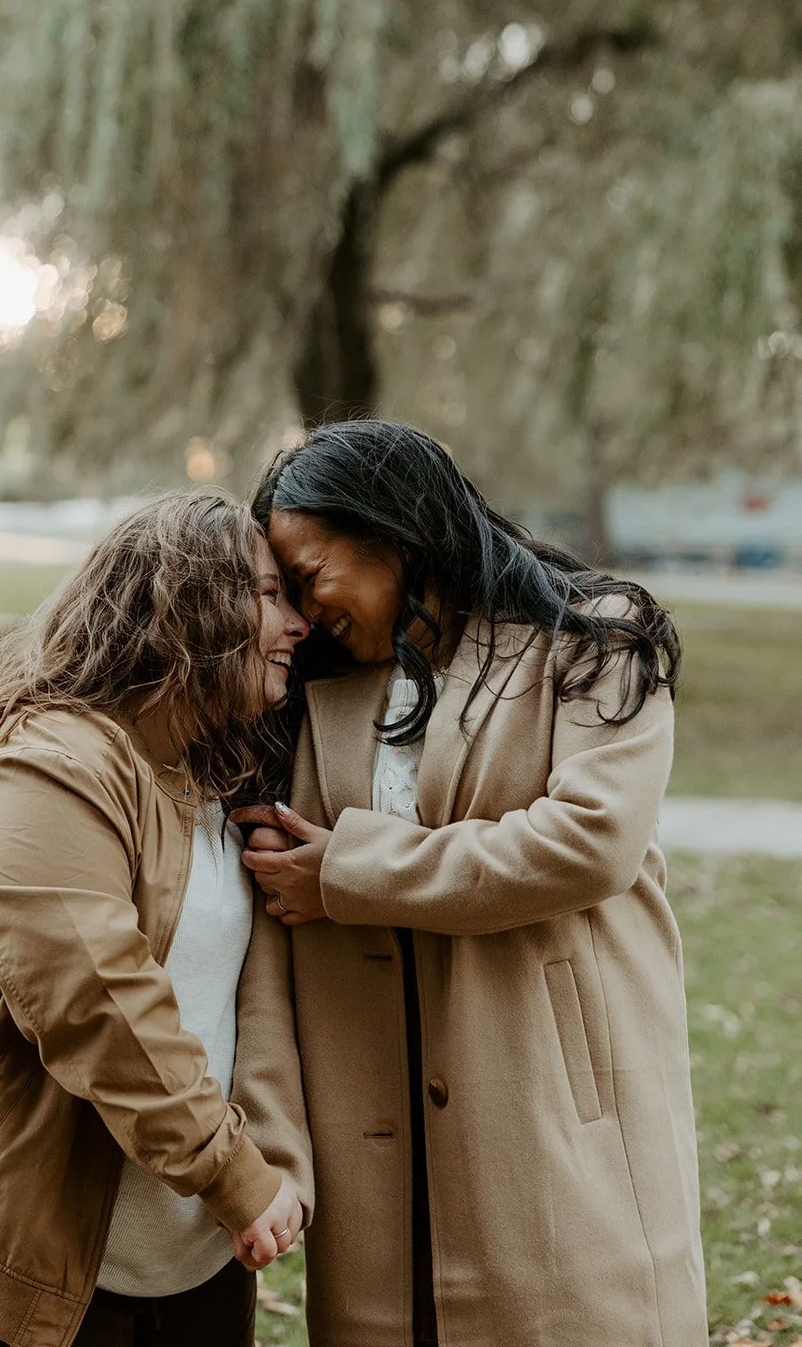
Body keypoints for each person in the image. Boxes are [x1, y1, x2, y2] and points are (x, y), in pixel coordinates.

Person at [236, 419, 706, 1347]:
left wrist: (347, 873)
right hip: (374, 1157)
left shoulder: (592, 645)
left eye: (310, 574)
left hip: (550, 1130)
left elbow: (587, 842)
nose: (299, 607)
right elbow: (265, 923)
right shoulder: (314, 698)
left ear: (393, 535)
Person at [0, 492, 312, 1347]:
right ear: (186, 605)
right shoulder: (39, 769)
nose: (297, 622)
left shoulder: (201, 776)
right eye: (271, 594)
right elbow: (98, 1001)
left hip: (185, 1266)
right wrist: (238, 1177)